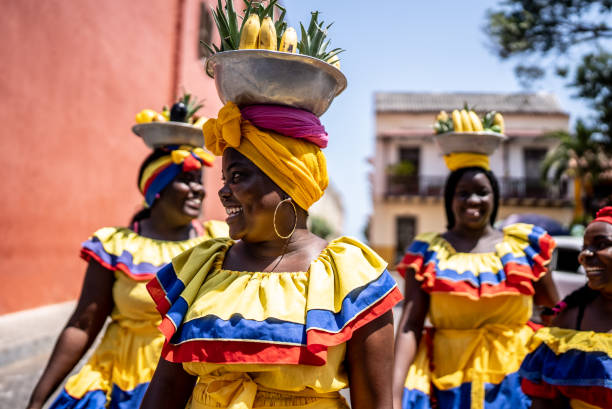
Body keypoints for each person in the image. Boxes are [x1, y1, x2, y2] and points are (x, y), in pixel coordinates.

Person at [140, 102, 403, 409]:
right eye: (225, 179)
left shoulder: (350, 276)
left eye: (237, 177)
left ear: (287, 182)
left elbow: (374, 403)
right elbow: (168, 386)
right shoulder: (204, 266)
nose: (223, 192)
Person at [27, 145, 228, 409]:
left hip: (189, 382)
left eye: (199, 181)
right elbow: (82, 325)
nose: (198, 189)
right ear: (156, 188)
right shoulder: (116, 246)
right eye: (186, 180)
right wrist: (37, 401)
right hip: (117, 381)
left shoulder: (220, 241)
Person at [393, 153, 559, 409]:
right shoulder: (427, 251)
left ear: (495, 198)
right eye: (463, 193)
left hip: (517, 377)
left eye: (482, 192)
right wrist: (393, 392)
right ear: (450, 199)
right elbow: (410, 326)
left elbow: (554, 317)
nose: (473, 200)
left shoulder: (523, 247)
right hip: (448, 379)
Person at [519, 206, 612, 409]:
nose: (585, 255)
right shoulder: (569, 320)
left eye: (602, 244)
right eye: (584, 247)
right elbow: (546, 400)